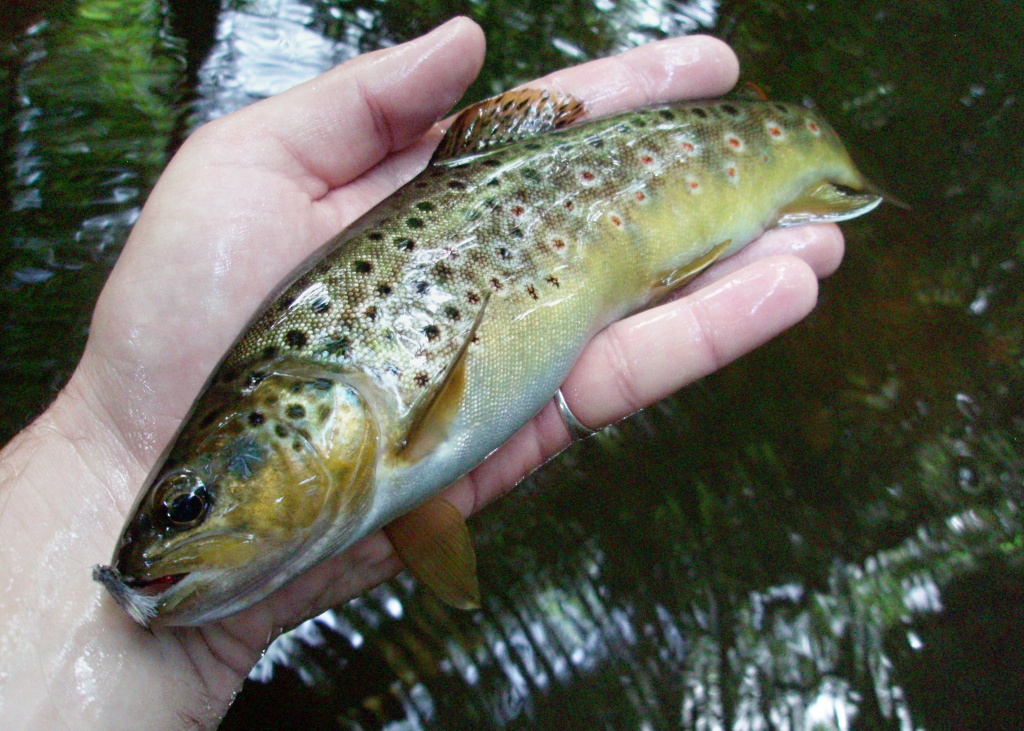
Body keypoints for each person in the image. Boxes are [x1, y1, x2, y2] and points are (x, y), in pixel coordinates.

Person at [0, 18, 844, 729]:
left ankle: (810, 160)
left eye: (190, 505)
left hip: (576, 179)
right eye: (186, 506)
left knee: (768, 230)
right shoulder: (339, 460)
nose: (171, 539)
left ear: (292, 413)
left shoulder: (371, 434)